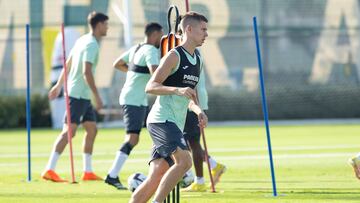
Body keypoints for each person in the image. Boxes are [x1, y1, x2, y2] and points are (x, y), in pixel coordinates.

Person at [129, 12, 209, 203]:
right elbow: (151, 86)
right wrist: (177, 90)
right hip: (161, 120)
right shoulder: (174, 56)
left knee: (154, 178)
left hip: (174, 123)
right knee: (185, 161)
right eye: (203, 30)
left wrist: (199, 111)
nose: (206, 34)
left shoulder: (198, 59)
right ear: (188, 29)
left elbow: (190, 97)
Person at [41, 11, 109, 182]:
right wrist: (97, 97)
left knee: (92, 129)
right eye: (106, 24)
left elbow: (68, 63)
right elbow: (86, 72)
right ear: (99, 24)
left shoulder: (82, 40)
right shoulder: (92, 44)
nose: (107, 27)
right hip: (78, 94)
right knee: (68, 133)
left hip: (81, 95)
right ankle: (49, 169)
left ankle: (87, 171)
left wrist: (58, 86)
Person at [104, 22, 163, 190]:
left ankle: (114, 175)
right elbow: (155, 74)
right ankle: (112, 175)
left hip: (135, 98)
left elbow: (117, 63)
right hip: (133, 100)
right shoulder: (151, 50)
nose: (161, 39)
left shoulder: (137, 48)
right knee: (132, 138)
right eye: (160, 35)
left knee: (152, 134)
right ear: (154, 34)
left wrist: (134, 74)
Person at [181, 69, 226, 192]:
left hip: (193, 103)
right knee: (190, 143)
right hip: (191, 102)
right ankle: (214, 165)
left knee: (193, 143)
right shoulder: (190, 54)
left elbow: (191, 82)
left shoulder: (190, 55)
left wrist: (197, 106)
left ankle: (200, 181)